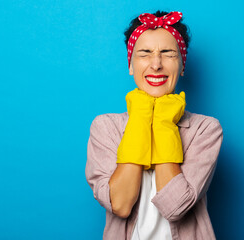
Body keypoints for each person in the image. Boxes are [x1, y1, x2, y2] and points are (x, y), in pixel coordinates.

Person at [85, 10, 223, 240]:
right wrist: (140, 118)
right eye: (145, 53)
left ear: (182, 65)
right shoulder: (105, 127)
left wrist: (163, 122)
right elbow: (120, 204)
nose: (156, 64)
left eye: (168, 53)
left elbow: (176, 207)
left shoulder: (206, 129)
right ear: (130, 65)